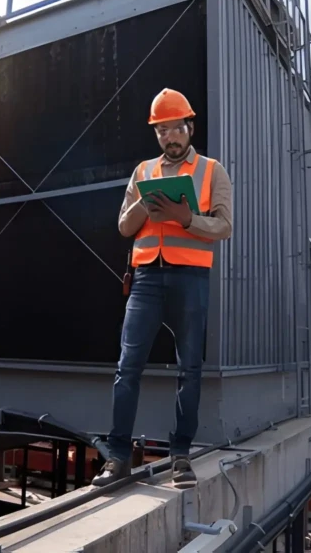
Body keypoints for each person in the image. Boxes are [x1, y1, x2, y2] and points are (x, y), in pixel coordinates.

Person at [92, 88, 233, 489]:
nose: (169, 137)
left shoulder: (212, 171)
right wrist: (146, 202)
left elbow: (224, 226)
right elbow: (124, 227)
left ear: (190, 127)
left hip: (191, 278)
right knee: (127, 367)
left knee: (190, 369)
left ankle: (180, 456)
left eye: (175, 129)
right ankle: (118, 457)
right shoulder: (143, 172)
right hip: (146, 279)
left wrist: (185, 218)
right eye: (162, 131)